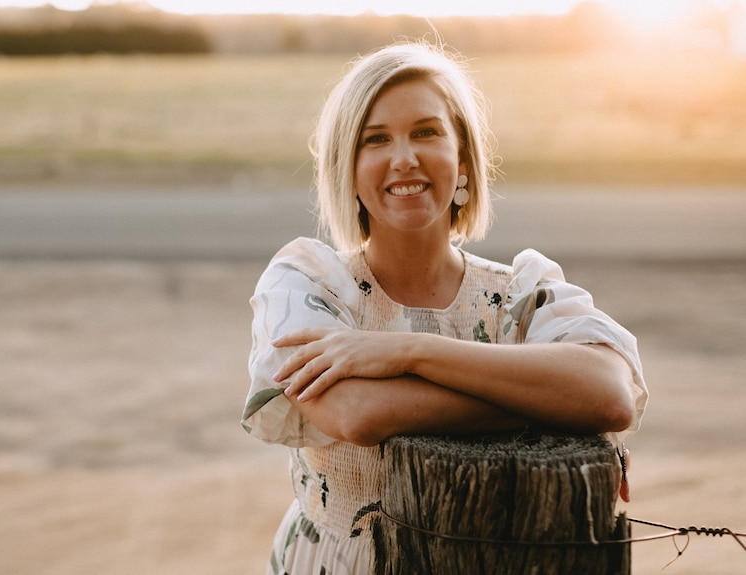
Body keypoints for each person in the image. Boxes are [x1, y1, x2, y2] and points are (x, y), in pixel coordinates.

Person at [242, 40, 648, 575]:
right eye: (376, 139)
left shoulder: (521, 290)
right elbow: (358, 413)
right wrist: (544, 400)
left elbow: (609, 395)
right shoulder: (309, 281)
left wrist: (408, 351)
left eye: (427, 132)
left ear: (462, 159)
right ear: (349, 170)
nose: (404, 156)